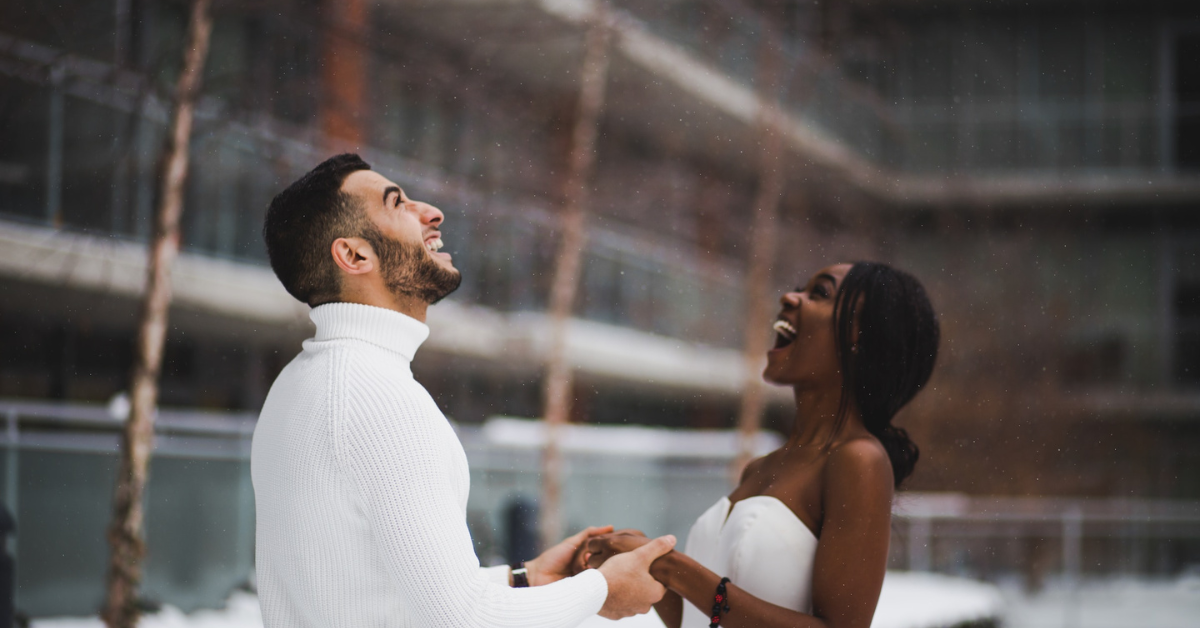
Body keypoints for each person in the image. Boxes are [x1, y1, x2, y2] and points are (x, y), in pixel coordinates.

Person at [252, 153, 675, 627]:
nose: (432, 212)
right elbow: (464, 620)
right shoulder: (379, 399)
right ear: (354, 255)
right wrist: (602, 589)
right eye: (399, 204)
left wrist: (525, 578)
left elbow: (375, 592)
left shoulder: (302, 383)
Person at [583, 262, 940, 628]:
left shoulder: (858, 460)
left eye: (820, 293)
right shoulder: (761, 467)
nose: (789, 297)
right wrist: (647, 556)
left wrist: (672, 566)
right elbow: (702, 618)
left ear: (861, 336)